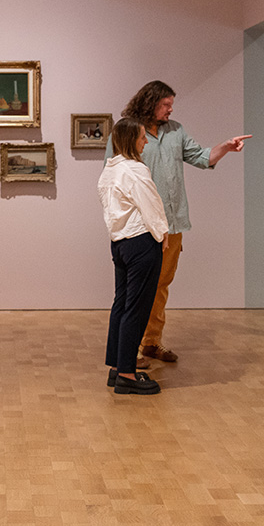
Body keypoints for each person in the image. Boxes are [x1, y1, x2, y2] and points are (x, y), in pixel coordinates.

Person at [106, 81, 250, 367]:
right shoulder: (126, 131)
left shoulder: (176, 131)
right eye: (166, 105)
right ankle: (128, 351)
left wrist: (225, 147)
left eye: (171, 105)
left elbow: (200, 157)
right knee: (136, 290)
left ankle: (151, 342)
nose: (171, 110)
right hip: (141, 228)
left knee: (160, 286)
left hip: (172, 225)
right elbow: (113, 176)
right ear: (150, 103)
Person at [98, 118, 169, 395]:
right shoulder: (135, 170)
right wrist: (162, 235)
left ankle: (117, 367)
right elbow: (152, 206)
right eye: (142, 137)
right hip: (141, 243)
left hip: (119, 244)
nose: (146, 141)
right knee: (137, 308)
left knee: (121, 304)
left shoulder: (109, 171)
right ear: (131, 140)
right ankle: (127, 374)